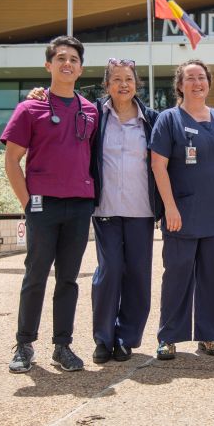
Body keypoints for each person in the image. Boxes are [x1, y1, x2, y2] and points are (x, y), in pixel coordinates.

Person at [26, 59, 161, 365]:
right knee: (109, 271)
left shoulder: (151, 118)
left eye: (128, 79)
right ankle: (103, 337)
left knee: (138, 275)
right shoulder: (94, 114)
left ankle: (126, 338)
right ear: (106, 85)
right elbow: (61, 106)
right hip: (105, 208)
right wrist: (41, 94)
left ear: (137, 84)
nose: (123, 84)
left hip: (141, 209)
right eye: (116, 79)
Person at [1, 36, 98, 373]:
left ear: (81, 68)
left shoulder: (90, 110)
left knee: (68, 279)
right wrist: (28, 203)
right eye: (60, 58)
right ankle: (24, 344)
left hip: (79, 205)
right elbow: (12, 160)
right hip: (43, 205)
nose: (67, 63)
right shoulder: (31, 107)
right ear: (49, 65)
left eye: (73, 59)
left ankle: (63, 346)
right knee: (36, 275)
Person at [150, 59, 214, 360]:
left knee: (213, 276)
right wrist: (169, 207)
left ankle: (209, 336)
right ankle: (169, 337)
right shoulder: (169, 119)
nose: (197, 83)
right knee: (177, 275)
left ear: (208, 82)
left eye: (202, 78)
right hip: (182, 212)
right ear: (180, 85)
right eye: (190, 78)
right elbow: (158, 165)